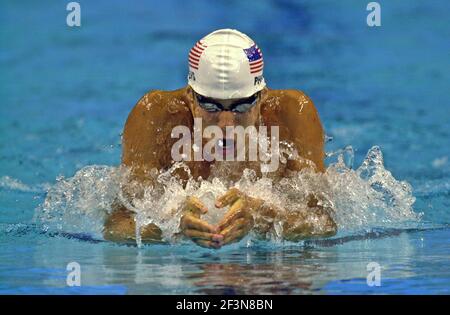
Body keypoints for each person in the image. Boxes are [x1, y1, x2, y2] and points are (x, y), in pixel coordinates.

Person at [103, 29, 337, 248]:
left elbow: (324, 224)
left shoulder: (292, 115)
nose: (226, 123)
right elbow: (116, 226)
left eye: (242, 105)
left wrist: (264, 215)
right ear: (191, 97)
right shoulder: (156, 117)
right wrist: (169, 225)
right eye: (210, 105)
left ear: (262, 97)